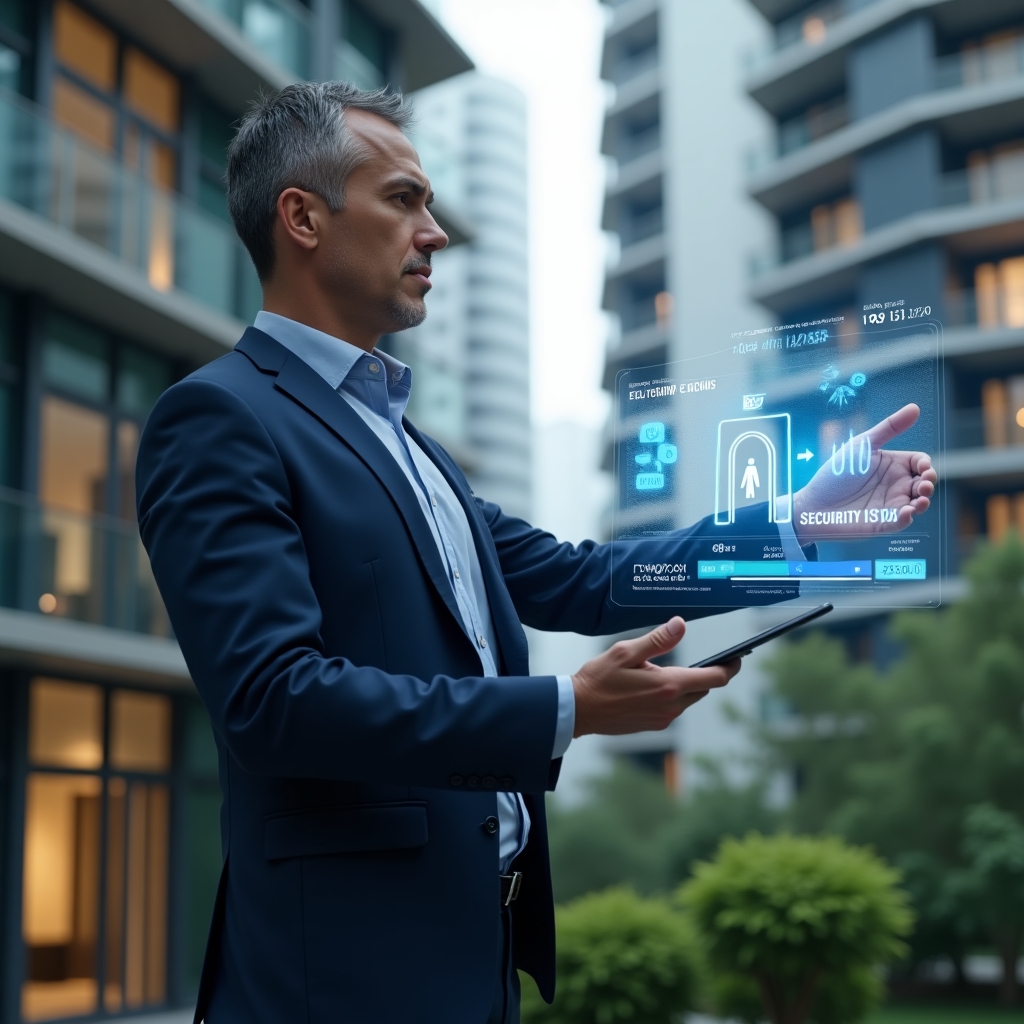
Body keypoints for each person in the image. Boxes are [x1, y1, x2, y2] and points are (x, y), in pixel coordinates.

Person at [136, 82, 937, 1024]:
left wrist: (800, 523)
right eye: (404, 199)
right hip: (341, 984)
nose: (434, 232)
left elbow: (581, 578)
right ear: (303, 217)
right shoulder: (221, 419)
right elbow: (274, 700)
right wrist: (564, 712)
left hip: (477, 968)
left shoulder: (411, 446)